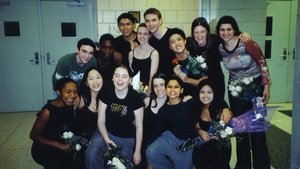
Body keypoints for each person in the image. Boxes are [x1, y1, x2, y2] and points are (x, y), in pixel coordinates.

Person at [216, 15, 271, 169]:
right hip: (236, 92)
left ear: (234, 30)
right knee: (241, 132)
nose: (225, 32)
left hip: (256, 89)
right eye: (222, 29)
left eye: (229, 29)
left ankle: (262, 165)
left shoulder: (246, 42)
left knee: (258, 130)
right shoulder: (220, 47)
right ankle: (243, 165)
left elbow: (262, 62)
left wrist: (266, 86)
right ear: (218, 31)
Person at [85, 65, 144, 169]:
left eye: (124, 77)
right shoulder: (106, 94)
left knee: (119, 166)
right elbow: (101, 120)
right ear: (112, 78)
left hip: (126, 138)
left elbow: (139, 126)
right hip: (105, 133)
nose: (120, 80)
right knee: (91, 155)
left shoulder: (136, 98)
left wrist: (137, 151)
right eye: (117, 76)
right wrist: (107, 140)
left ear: (130, 80)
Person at [146, 75, 198, 169]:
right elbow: (156, 131)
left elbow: (205, 105)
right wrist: (150, 161)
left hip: (188, 142)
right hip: (171, 139)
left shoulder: (189, 102)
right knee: (150, 152)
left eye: (176, 87)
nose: (172, 90)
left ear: (181, 90)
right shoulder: (163, 110)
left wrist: (224, 107)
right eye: (169, 87)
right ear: (166, 89)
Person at [30, 78, 78, 169]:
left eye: (75, 92)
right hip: (45, 147)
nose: (73, 95)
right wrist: (60, 145)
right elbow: (33, 136)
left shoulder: (69, 105)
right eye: (68, 91)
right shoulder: (47, 112)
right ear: (58, 92)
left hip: (62, 143)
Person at [192, 79, 232, 169]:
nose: (206, 96)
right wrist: (200, 132)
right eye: (202, 92)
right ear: (198, 94)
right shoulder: (196, 107)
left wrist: (220, 135)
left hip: (220, 147)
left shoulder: (221, 106)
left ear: (214, 93)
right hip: (203, 146)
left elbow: (231, 130)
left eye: (209, 92)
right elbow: (196, 127)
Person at [169, 28, 208, 98]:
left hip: (203, 97)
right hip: (183, 102)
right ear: (170, 47)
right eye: (172, 42)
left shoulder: (197, 57)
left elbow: (208, 81)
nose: (177, 43)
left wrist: (187, 80)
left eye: (179, 39)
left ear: (185, 41)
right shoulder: (171, 64)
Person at [144, 7, 176, 77]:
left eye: (154, 20)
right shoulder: (148, 41)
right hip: (157, 82)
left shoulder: (174, 34)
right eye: (147, 21)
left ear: (160, 20)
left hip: (174, 80)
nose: (150, 24)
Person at [128, 23, 159, 88]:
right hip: (133, 89)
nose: (142, 36)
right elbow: (130, 74)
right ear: (136, 34)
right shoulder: (131, 53)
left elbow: (152, 79)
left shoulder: (154, 53)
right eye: (139, 33)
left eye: (145, 34)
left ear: (150, 35)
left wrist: (148, 93)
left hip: (146, 90)